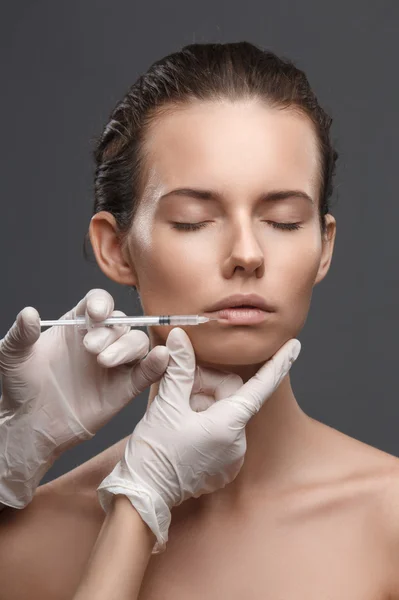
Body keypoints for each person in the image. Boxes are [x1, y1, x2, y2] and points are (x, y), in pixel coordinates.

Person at [1, 40, 399, 599]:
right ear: (115, 249)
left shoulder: (390, 520)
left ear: (324, 247)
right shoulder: (28, 539)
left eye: (284, 220)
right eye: (193, 221)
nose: (247, 253)